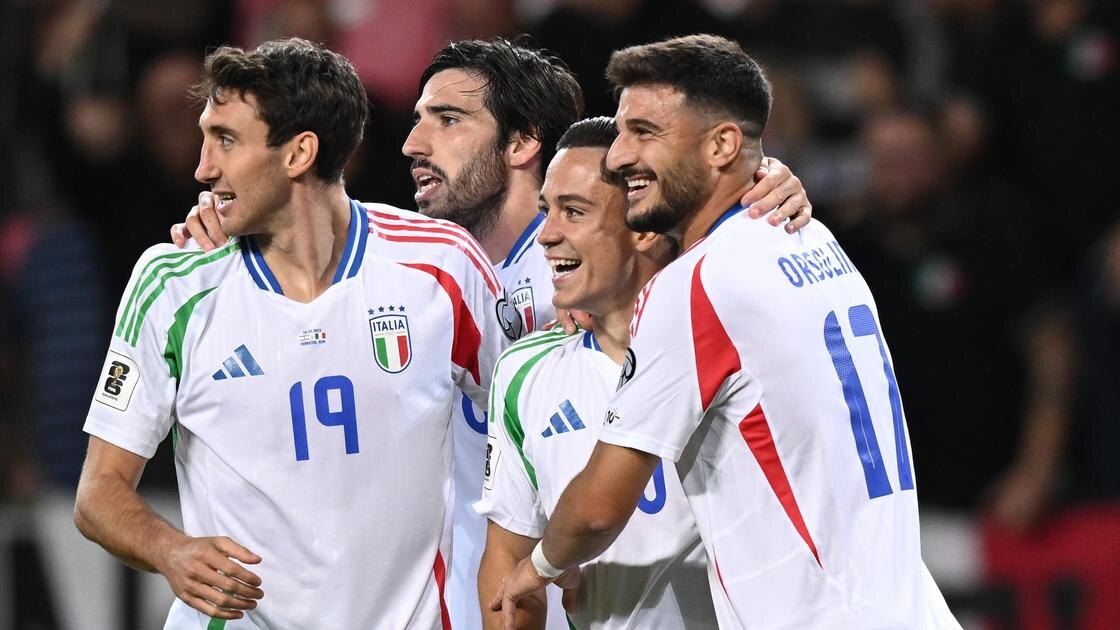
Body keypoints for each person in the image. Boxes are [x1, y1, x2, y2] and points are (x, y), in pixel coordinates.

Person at [170, 36, 816, 630]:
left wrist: (766, 180)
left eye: (448, 120)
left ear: (522, 143)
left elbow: (698, 207)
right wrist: (238, 226)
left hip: (623, 593)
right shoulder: (423, 273)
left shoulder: (623, 258)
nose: (414, 143)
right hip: (479, 599)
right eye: (418, 119)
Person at [492, 34, 960, 629]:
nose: (620, 156)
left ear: (721, 145)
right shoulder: (811, 235)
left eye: (644, 133)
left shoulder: (696, 286)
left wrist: (537, 567)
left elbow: (599, 509)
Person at [74, 38, 509, 629]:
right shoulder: (174, 284)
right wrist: (172, 552)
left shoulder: (442, 267)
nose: (203, 168)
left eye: (226, 140)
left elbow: (527, 426)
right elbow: (99, 494)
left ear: (299, 152)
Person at [477, 116, 716, 629]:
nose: (546, 236)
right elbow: (507, 554)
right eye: (546, 211)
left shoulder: (722, 340)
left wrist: (769, 175)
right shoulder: (525, 371)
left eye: (573, 211)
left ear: (644, 226)